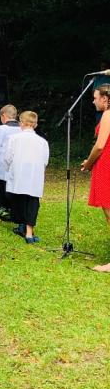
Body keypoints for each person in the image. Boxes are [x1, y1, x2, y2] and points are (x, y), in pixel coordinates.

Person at [3, 111, 49, 244]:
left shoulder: (14, 139)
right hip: (34, 176)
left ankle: (21, 224)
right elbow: (45, 161)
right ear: (35, 124)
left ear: (21, 123)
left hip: (18, 175)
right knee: (33, 201)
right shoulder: (42, 142)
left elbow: (7, 158)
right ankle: (28, 232)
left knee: (18, 199)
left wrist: (8, 170)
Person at [81, 83, 110, 272]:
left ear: (105, 99)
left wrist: (89, 164)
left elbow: (100, 146)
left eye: (96, 98)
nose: (93, 101)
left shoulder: (108, 114)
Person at [0, 104, 21, 216]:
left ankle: (2, 206)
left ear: (3, 115)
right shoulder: (21, 128)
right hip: (17, 163)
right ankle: (13, 207)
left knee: (0, 184)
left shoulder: (2, 129)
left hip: (2, 162)